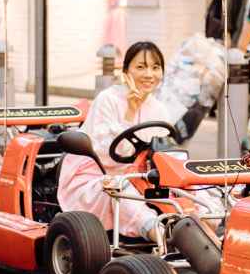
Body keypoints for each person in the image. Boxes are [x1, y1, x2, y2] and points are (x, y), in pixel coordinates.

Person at [58, 42, 184, 243]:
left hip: (141, 177)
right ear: (126, 71)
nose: (149, 74)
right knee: (119, 186)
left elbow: (165, 152)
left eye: (155, 67)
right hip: (96, 175)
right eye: (141, 67)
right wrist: (130, 113)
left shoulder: (159, 109)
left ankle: (205, 230)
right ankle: (157, 233)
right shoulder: (107, 99)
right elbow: (108, 154)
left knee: (192, 188)